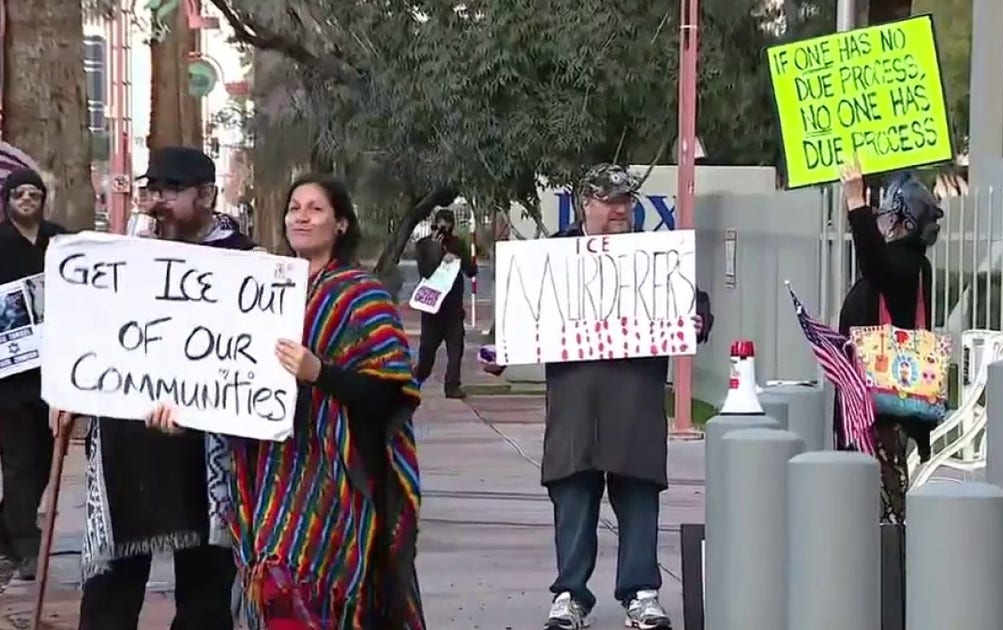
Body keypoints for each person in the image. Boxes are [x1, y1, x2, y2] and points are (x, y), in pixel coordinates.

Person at [147, 174, 426, 628]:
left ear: (341, 223)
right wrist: (185, 414)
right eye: (294, 207)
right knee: (276, 592)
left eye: (315, 208)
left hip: (337, 478)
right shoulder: (258, 292)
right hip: (267, 474)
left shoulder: (361, 295)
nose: (301, 216)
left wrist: (320, 373)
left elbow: (390, 393)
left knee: (311, 596)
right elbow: (224, 378)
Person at [483, 164, 713, 630]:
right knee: (572, 497)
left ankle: (641, 593)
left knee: (639, 496)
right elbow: (516, 318)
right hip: (576, 409)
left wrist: (698, 320)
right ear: (586, 204)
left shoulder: (654, 258)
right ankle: (570, 594)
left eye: (625, 201)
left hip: (635, 405)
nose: (620, 210)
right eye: (609, 201)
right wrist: (497, 348)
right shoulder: (553, 258)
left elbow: (696, 305)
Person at [50, 147, 251, 629]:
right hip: (127, 444)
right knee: (110, 589)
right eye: (152, 190)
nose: (157, 201)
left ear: (207, 195)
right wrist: (68, 390)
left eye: (171, 190)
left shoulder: (245, 265)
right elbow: (94, 334)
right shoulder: (123, 258)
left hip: (206, 453)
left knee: (204, 591)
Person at [836, 161, 943, 525]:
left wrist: (856, 202)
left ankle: (887, 550)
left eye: (888, 214)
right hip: (878, 400)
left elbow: (873, 261)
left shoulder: (906, 264)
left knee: (878, 494)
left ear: (904, 223)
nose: (882, 220)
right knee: (872, 488)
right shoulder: (907, 264)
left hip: (881, 405)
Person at [0, 168, 67, 580]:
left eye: (33, 193)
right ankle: (26, 545)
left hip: (51, 370)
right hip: (8, 374)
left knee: (43, 457)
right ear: (7, 200)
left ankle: (8, 529)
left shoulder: (61, 241)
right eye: (18, 193)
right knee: (19, 459)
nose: (26, 199)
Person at [413, 208, 477, 398]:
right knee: (427, 354)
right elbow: (425, 271)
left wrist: (458, 258)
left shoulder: (457, 244)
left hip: (453, 308)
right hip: (432, 309)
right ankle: (416, 379)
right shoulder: (424, 245)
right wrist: (438, 253)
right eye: (440, 223)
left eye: (447, 224)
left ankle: (452, 386)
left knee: (455, 350)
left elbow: (471, 270)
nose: (443, 228)